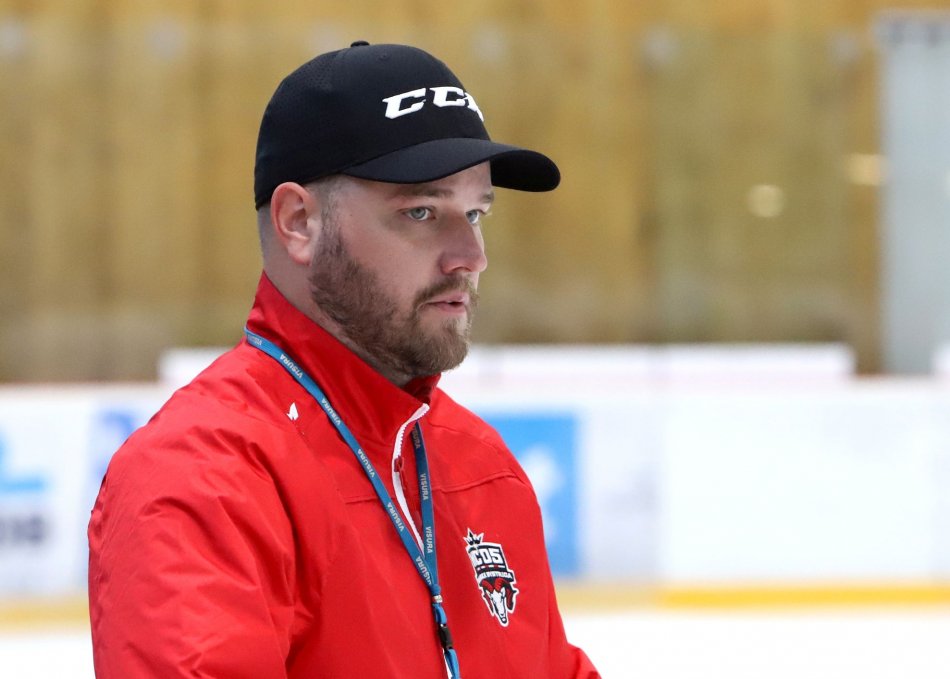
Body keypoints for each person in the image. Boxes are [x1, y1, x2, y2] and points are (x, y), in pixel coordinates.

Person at [88, 41, 600, 678]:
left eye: (474, 213)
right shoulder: (203, 477)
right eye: (421, 211)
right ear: (299, 222)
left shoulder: (481, 467)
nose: (471, 256)